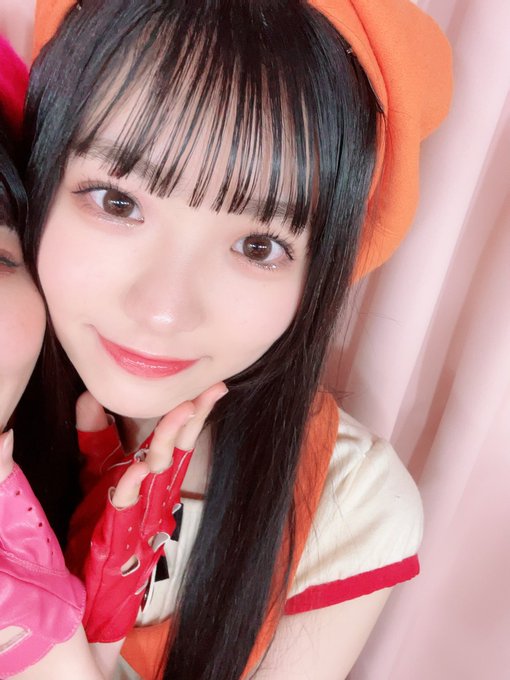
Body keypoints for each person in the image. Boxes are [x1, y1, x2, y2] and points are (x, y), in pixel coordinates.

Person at [19, 0, 452, 678]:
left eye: (258, 245)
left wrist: (59, 635)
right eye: (117, 202)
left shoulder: (347, 502)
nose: (163, 311)